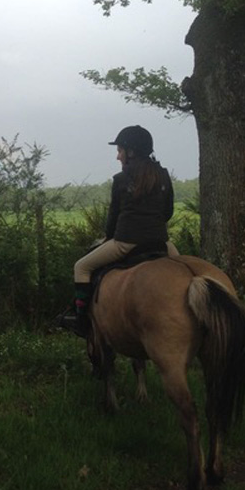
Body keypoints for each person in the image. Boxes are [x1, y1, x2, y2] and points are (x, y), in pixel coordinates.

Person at [56, 124, 179, 337]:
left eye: (119, 151)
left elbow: (113, 218)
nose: (118, 157)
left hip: (125, 242)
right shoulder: (163, 175)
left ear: (130, 152)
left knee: (81, 267)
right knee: (184, 269)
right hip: (161, 242)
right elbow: (167, 211)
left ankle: (81, 318)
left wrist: (108, 237)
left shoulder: (121, 180)